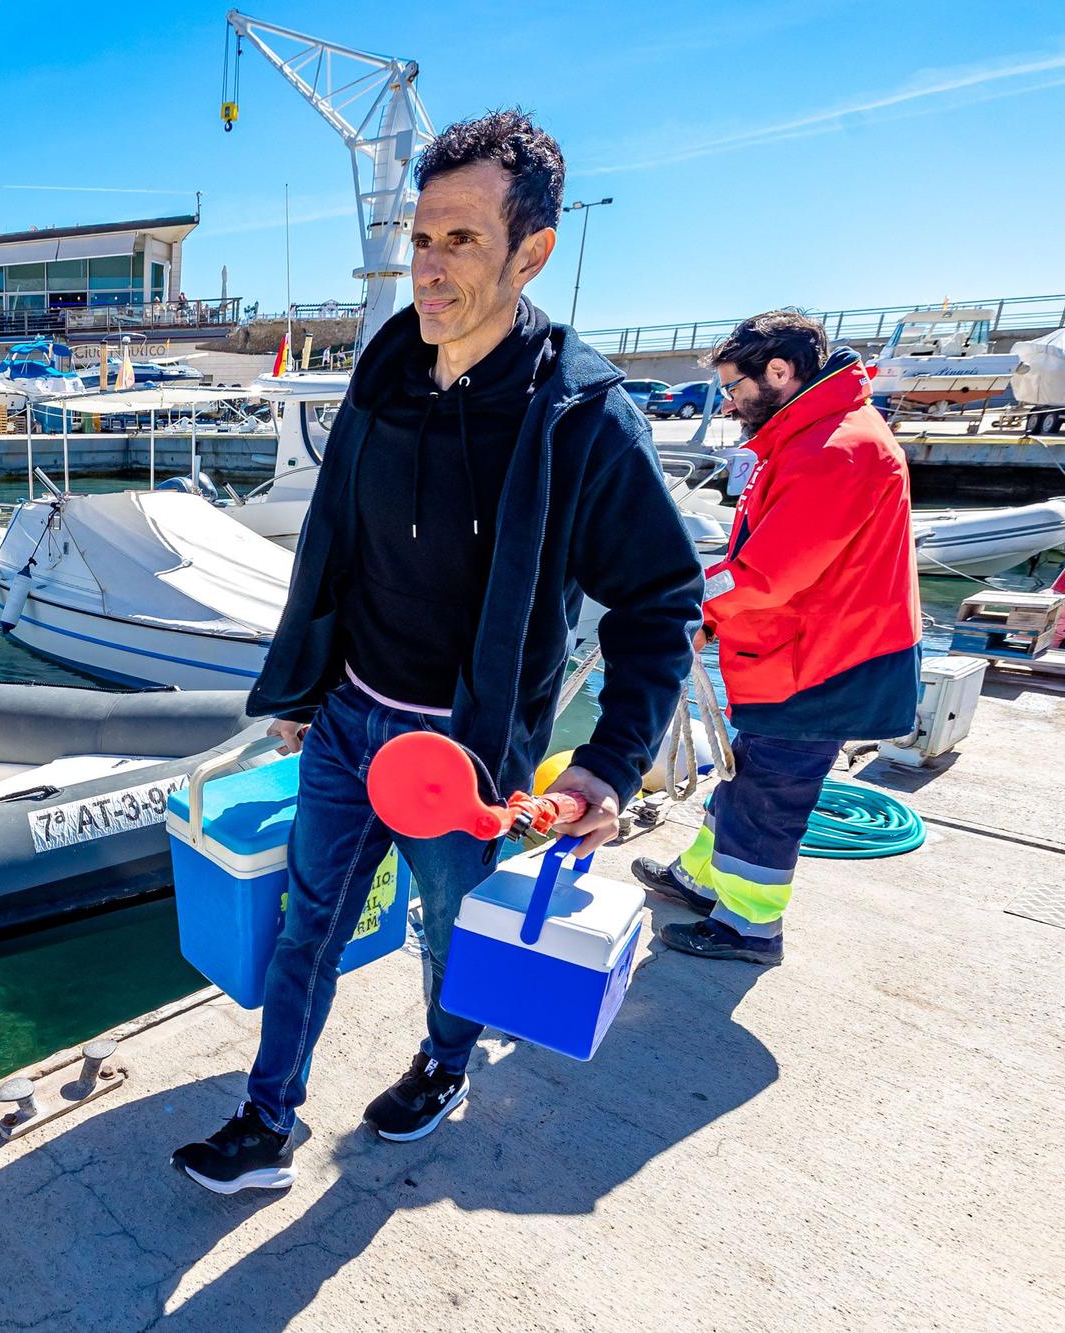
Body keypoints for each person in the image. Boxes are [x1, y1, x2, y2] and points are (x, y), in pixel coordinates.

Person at [171, 110, 703, 1195]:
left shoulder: (582, 417)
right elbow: (335, 545)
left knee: (453, 935)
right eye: (421, 237)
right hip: (347, 722)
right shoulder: (383, 367)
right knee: (303, 929)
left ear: (531, 251)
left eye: (461, 240)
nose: (428, 264)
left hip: (465, 753)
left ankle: (443, 1061)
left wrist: (605, 761)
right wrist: (305, 687)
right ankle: (265, 1121)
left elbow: (658, 598)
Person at [633, 312, 921, 965]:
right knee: (746, 775)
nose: (729, 402)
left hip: (825, 664)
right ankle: (703, 880)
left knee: (770, 792)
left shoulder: (837, 451)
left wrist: (687, 601)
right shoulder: (813, 435)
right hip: (799, 652)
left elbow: (770, 572)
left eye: (735, 387)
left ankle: (748, 927)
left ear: (781, 374)